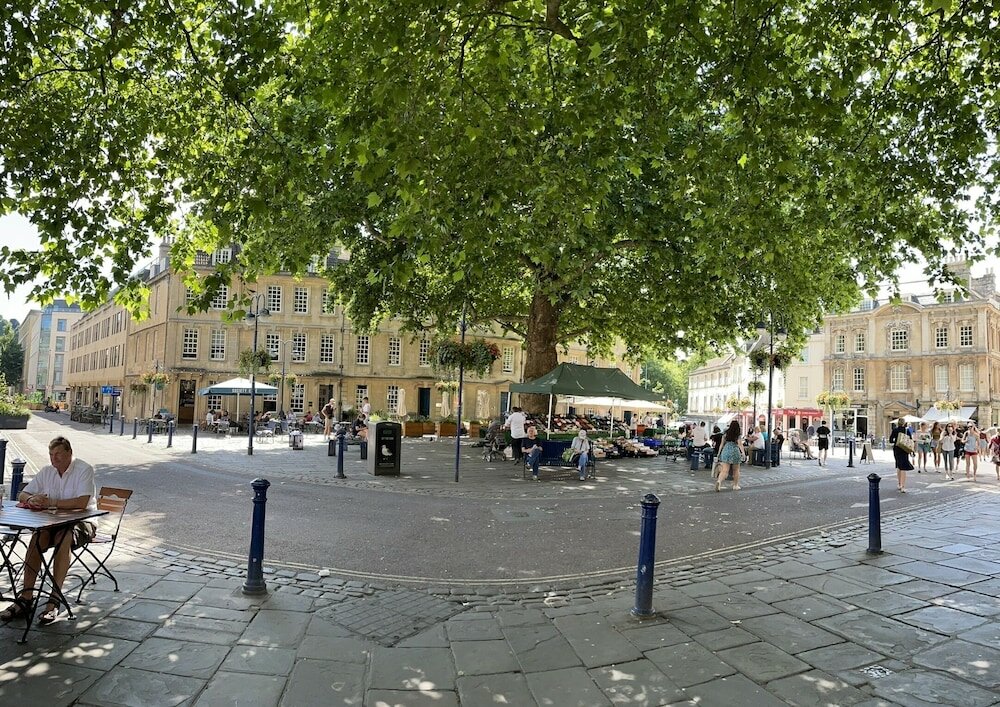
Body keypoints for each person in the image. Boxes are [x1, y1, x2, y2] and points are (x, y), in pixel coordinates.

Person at [0, 437, 96, 625]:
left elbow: (81, 503)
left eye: (58, 454)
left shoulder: (84, 469)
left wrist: (51, 502)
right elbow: (22, 493)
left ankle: (54, 601)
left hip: (82, 522)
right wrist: (31, 499)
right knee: (37, 537)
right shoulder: (47, 471)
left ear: (69, 453)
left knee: (64, 537)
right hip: (51, 522)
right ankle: (26, 597)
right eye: (51, 454)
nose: (54, 459)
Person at [715, 420, 745, 491]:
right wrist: (743, 453)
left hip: (726, 451)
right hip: (734, 451)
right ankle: (735, 485)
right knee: (736, 470)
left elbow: (721, 444)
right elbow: (740, 444)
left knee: (724, 470)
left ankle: (719, 481)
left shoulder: (725, 434)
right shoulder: (737, 435)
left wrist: (719, 454)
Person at [889, 417, 914, 493]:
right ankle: (903, 486)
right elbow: (910, 440)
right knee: (903, 468)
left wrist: (896, 440)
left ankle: (899, 484)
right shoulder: (907, 430)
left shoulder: (895, 430)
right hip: (904, 450)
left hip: (897, 449)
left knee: (899, 466)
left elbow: (890, 440)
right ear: (904, 423)